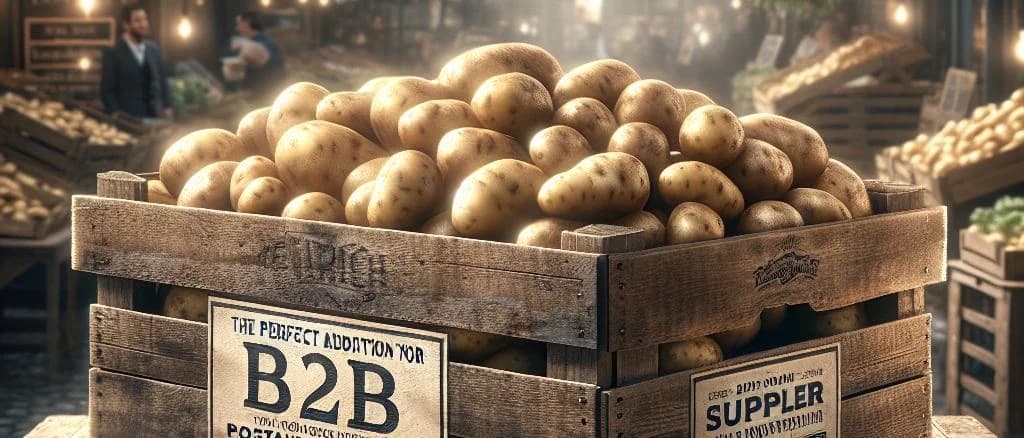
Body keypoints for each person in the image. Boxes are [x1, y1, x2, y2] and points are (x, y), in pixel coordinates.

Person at [100, 4, 172, 119]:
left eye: (144, 19)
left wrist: (167, 106)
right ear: (126, 25)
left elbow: (162, 80)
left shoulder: (153, 49)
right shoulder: (113, 53)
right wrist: (117, 115)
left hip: (155, 118)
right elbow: (107, 91)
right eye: (138, 21)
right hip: (128, 120)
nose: (143, 24)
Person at [226, 11, 285, 100]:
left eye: (238, 24)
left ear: (247, 23)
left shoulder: (267, 43)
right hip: (250, 94)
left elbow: (265, 61)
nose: (236, 28)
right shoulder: (246, 43)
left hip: (267, 94)